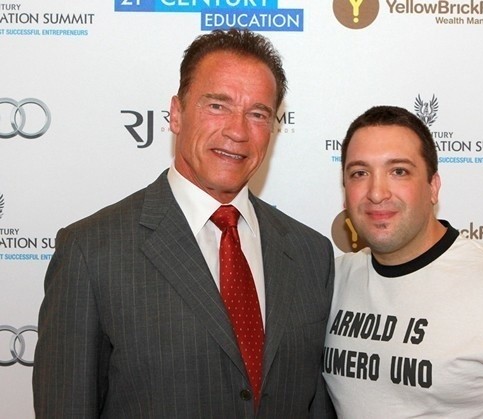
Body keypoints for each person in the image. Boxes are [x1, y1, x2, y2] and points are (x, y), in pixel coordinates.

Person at [33, 29, 335, 418]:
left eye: (258, 114)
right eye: (218, 106)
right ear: (176, 114)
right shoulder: (91, 252)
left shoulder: (311, 253)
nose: (237, 131)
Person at [322, 105, 483, 418]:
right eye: (359, 173)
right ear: (345, 192)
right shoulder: (328, 281)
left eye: (399, 171)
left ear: (433, 187)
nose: (377, 193)